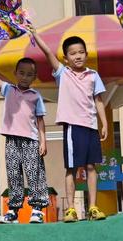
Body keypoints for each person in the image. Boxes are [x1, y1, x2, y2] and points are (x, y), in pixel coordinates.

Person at [33, 31, 107, 222]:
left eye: (81, 52)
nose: (78, 56)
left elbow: (98, 100)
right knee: (72, 168)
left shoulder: (93, 75)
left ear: (86, 54)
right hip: (73, 127)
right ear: (66, 58)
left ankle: (92, 207)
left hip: (91, 126)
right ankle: (71, 209)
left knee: (92, 167)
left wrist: (104, 123)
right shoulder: (63, 73)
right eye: (73, 53)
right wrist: (34, 34)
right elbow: (48, 53)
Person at [0, 45, 49, 224]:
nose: (25, 77)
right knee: (13, 174)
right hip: (12, 139)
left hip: (31, 141)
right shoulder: (8, 89)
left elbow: (40, 120)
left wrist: (43, 141)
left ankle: (37, 209)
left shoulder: (36, 96)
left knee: (34, 174)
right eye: (21, 73)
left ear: (34, 77)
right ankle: (13, 210)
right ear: (15, 73)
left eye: (29, 74)